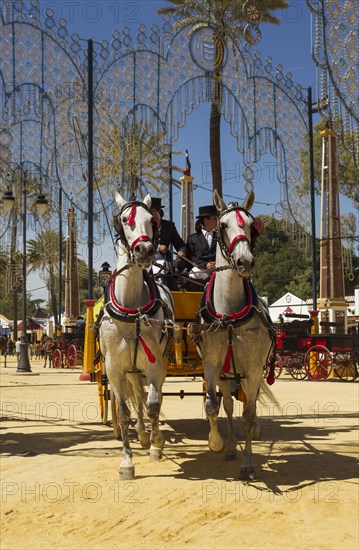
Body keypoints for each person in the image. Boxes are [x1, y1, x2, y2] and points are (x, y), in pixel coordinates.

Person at [150, 197, 187, 288]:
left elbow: (180, 244)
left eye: (155, 211)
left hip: (163, 260)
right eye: (150, 211)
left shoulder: (169, 226)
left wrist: (182, 251)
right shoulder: (142, 225)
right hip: (146, 259)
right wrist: (158, 248)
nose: (153, 214)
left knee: (162, 268)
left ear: (159, 212)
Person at [186, 204, 218, 282]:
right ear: (206, 220)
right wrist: (205, 265)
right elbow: (192, 256)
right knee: (194, 273)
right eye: (214, 219)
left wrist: (217, 264)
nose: (217, 221)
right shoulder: (192, 238)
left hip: (218, 268)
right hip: (201, 269)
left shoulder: (219, 237)